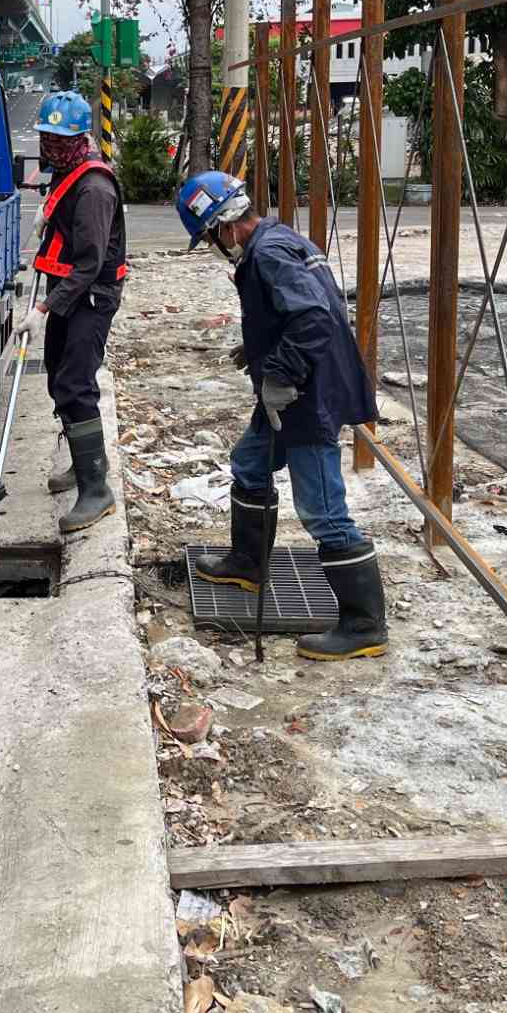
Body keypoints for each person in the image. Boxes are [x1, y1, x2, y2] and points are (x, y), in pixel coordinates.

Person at [176, 170, 386, 661]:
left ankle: (364, 626)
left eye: (210, 236)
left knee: (322, 511)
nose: (214, 246)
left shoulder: (268, 253)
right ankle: (248, 564)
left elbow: (312, 317)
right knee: (250, 464)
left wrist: (283, 373)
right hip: (295, 384)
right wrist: (257, 349)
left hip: (305, 397)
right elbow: (296, 311)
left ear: (224, 224)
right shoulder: (276, 240)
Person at [30, 89, 126, 534]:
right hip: (70, 291)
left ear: (78, 139)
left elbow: (89, 264)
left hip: (92, 295)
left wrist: (44, 307)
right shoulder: (67, 171)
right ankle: (83, 458)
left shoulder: (95, 189)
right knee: (57, 373)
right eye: (46, 139)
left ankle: (96, 490)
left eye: (58, 141)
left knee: (76, 382)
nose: (50, 148)